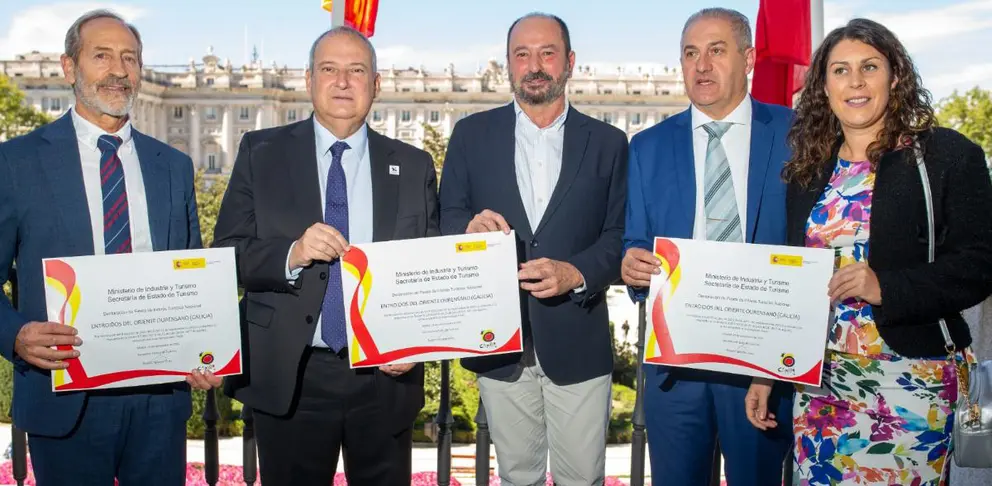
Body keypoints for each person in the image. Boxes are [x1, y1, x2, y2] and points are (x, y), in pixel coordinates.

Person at [744, 18, 992, 484]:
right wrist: (766, 371)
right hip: (820, 382)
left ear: (895, 76)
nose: (854, 82)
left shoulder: (946, 156)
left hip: (911, 381)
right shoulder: (806, 169)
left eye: (869, 67)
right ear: (823, 85)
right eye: (840, 70)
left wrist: (888, 287)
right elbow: (791, 279)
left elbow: (980, 265)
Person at [0, 9, 219, 485]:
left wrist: (207, 349)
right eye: (101, 56)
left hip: (158, 400)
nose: (118, 70)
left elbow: (191, 274)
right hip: (64, 396)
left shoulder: (174, 167)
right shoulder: (14, 163)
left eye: (130, 58)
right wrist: (15, 335)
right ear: (69, 67)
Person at [213, 26, 438, 485]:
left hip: (384, 376)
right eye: (329, 69)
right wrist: (291, 253)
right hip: (291, 376)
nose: (342, 82)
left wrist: (416, 341)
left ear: (375, 85)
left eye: (356, 71)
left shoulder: (414, 165)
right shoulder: (261, 152)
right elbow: (226, 255)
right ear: (308, 79)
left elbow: (432, 268)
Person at [439, 12, 628, 486]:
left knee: (582, 479)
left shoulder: (609, 143)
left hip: (578, 341)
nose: (535, 65)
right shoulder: (470, 136)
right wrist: (466, 229)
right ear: (508, 64)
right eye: (522, 54)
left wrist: (576, 273)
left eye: (547, 52)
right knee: (516, 477)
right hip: (499, 341)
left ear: (570, 62)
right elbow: (444, 220)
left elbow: (618, 236)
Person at [621, 8, 794, 486]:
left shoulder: (797, 136)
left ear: (750, 57)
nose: (701, 66)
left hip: (764, 367)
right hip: (676, 367)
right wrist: (632, 264)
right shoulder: (648, 146)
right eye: (690, 54)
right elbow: (635, 239)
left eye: (716, 51)